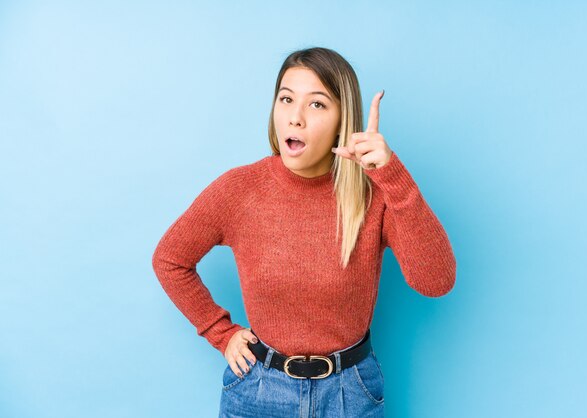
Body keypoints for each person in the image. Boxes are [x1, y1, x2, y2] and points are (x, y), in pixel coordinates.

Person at [151, 46, 456, 417]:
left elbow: (436, 281)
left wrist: (392, 176)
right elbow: (169, 259)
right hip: (258, 393)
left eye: (317, 105)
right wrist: (221, 332)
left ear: (343, 118)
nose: (295, 117)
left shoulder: (373, 195)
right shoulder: (239, 190)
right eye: (286, 99)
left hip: (350, 394)